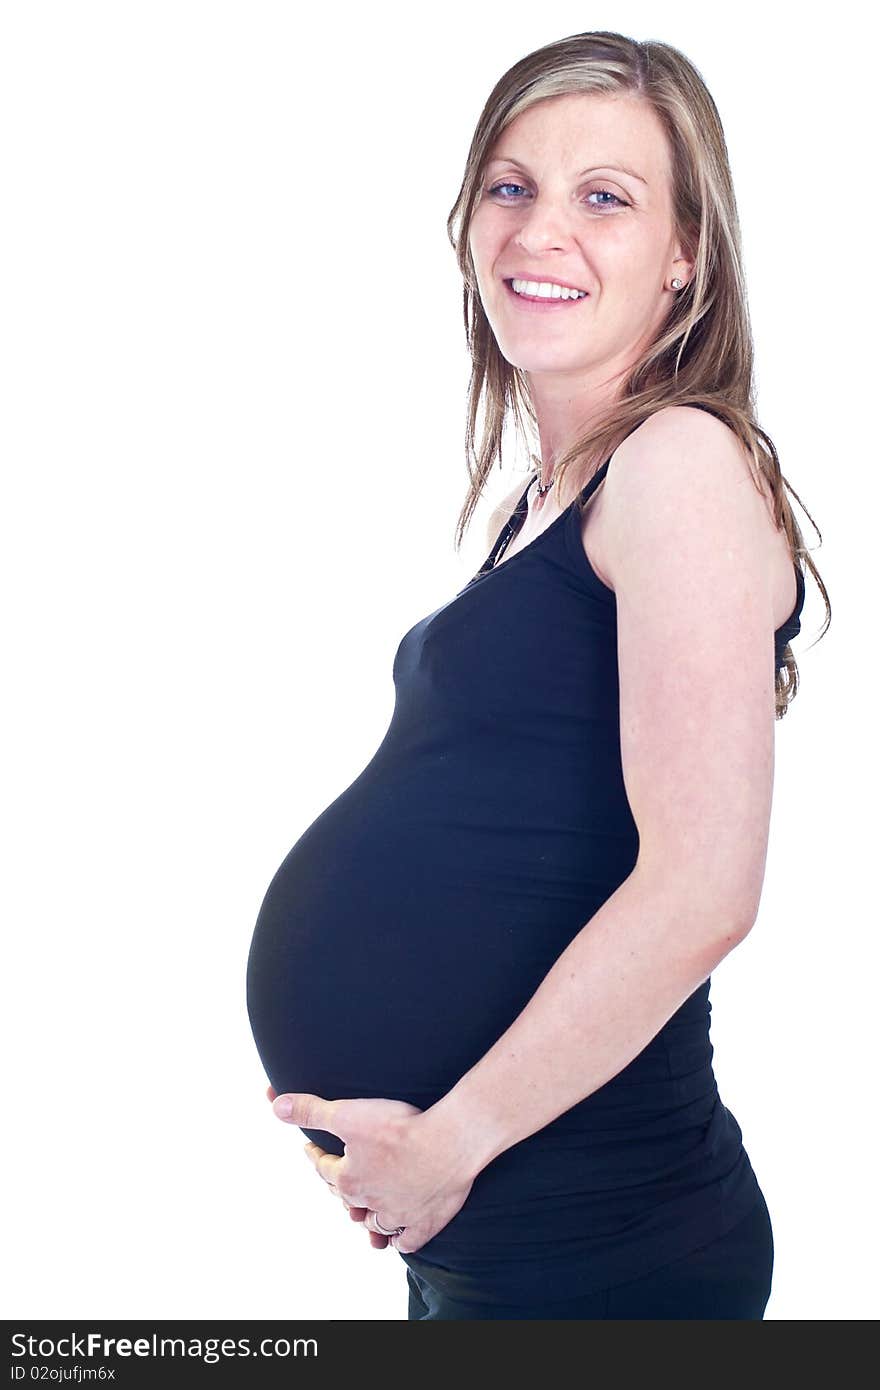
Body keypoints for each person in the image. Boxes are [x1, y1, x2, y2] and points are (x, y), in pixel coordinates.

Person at [247, 29, 828, 1320]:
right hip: (506, 1248)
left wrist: (452, 1141)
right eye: (511, 185)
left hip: (604, 1249)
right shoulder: (553, 499)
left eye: (604, 197)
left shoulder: (677, 463)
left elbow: (704, 889)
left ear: (687, 255)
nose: (538, 228)